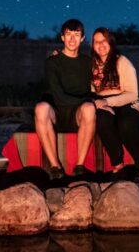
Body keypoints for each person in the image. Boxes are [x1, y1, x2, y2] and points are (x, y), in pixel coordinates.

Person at [34, 18, 96, 179]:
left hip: (77, 114)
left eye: (77, 35)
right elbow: (58, 95)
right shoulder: (52, 62)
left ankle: (80, 166)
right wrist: (86, 100)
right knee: (41, 108)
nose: (72, 39)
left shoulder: (88, 62)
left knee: (89, 108)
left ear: (82, 39)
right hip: (56, 112)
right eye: (68, 34)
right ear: (62, 37)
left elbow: (97, 87)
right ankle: (55, 166)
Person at [91, 27, 139, 185]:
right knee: (102, 119)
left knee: (126, 123)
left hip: (127, 103)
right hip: (103, 103)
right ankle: (118, 165)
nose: (100, 45)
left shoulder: (122, 61)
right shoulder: (91, 65)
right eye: (96, 42)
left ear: (110, 42)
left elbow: (132, 94)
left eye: (104, 41)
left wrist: (108, 101)